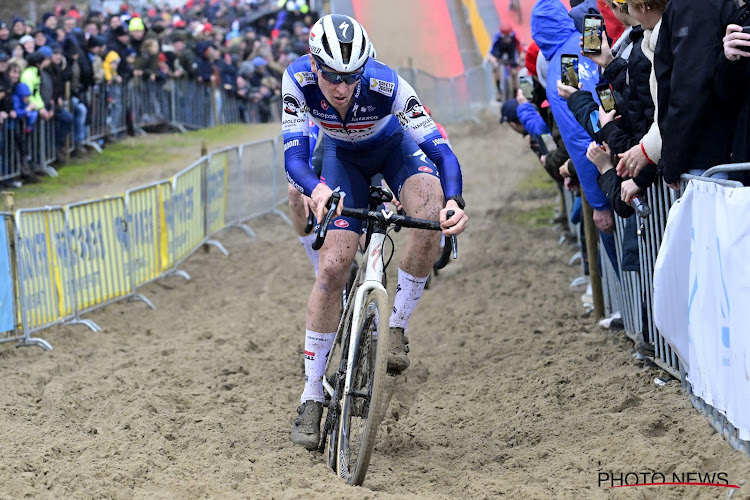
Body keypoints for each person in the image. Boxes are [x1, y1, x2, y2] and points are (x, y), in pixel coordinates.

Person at [282, 14, 467, 450]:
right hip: (341, 161)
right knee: (332, 269)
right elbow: (293, 159)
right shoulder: (297, 80)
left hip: (393, 151)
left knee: (429, 208)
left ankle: (398, 324)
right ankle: (311, 395)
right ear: (313, 64)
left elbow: (442, 151)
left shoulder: (390, 86)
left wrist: (456, 201)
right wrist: (318, 188)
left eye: (351, 77)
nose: (341, 88)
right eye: (331, 76)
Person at [488, 24, 524, 101]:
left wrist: (520, 59)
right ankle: (498, 91)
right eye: (505, 38)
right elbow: (490, 55)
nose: (508, 40)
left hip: (511, 50)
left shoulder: (515, 37)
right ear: (502, 37)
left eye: (509, 37)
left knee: (514, 71)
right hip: (500, 50)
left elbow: (521, 51)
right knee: (495, 68)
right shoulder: (497, 39)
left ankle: (515, 90)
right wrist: (494, 62)